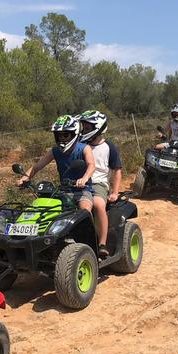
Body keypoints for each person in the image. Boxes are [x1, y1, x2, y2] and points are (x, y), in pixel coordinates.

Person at [16, 115, 96, 212]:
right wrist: (24, 178)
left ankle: (89, 227)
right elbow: (37, 167)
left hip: (82, 190)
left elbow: (91, 165)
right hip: (62, 191)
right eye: (59, 136)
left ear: (74, 134)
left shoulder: (84, 148)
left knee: (84, 209)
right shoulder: (55, 151)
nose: (62, 138)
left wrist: (84, 178)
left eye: (65, 135)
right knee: (47, 211)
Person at [77, 110, 123, 258]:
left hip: (98, 184)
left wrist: (115, 192)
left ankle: (102, 243)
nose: (84, 130)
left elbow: (117, 171)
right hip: (79, 182)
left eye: (87, 128)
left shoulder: (109, 147)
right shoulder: (80, 145)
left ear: (98, 127)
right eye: (83, 127)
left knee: (98, 204)